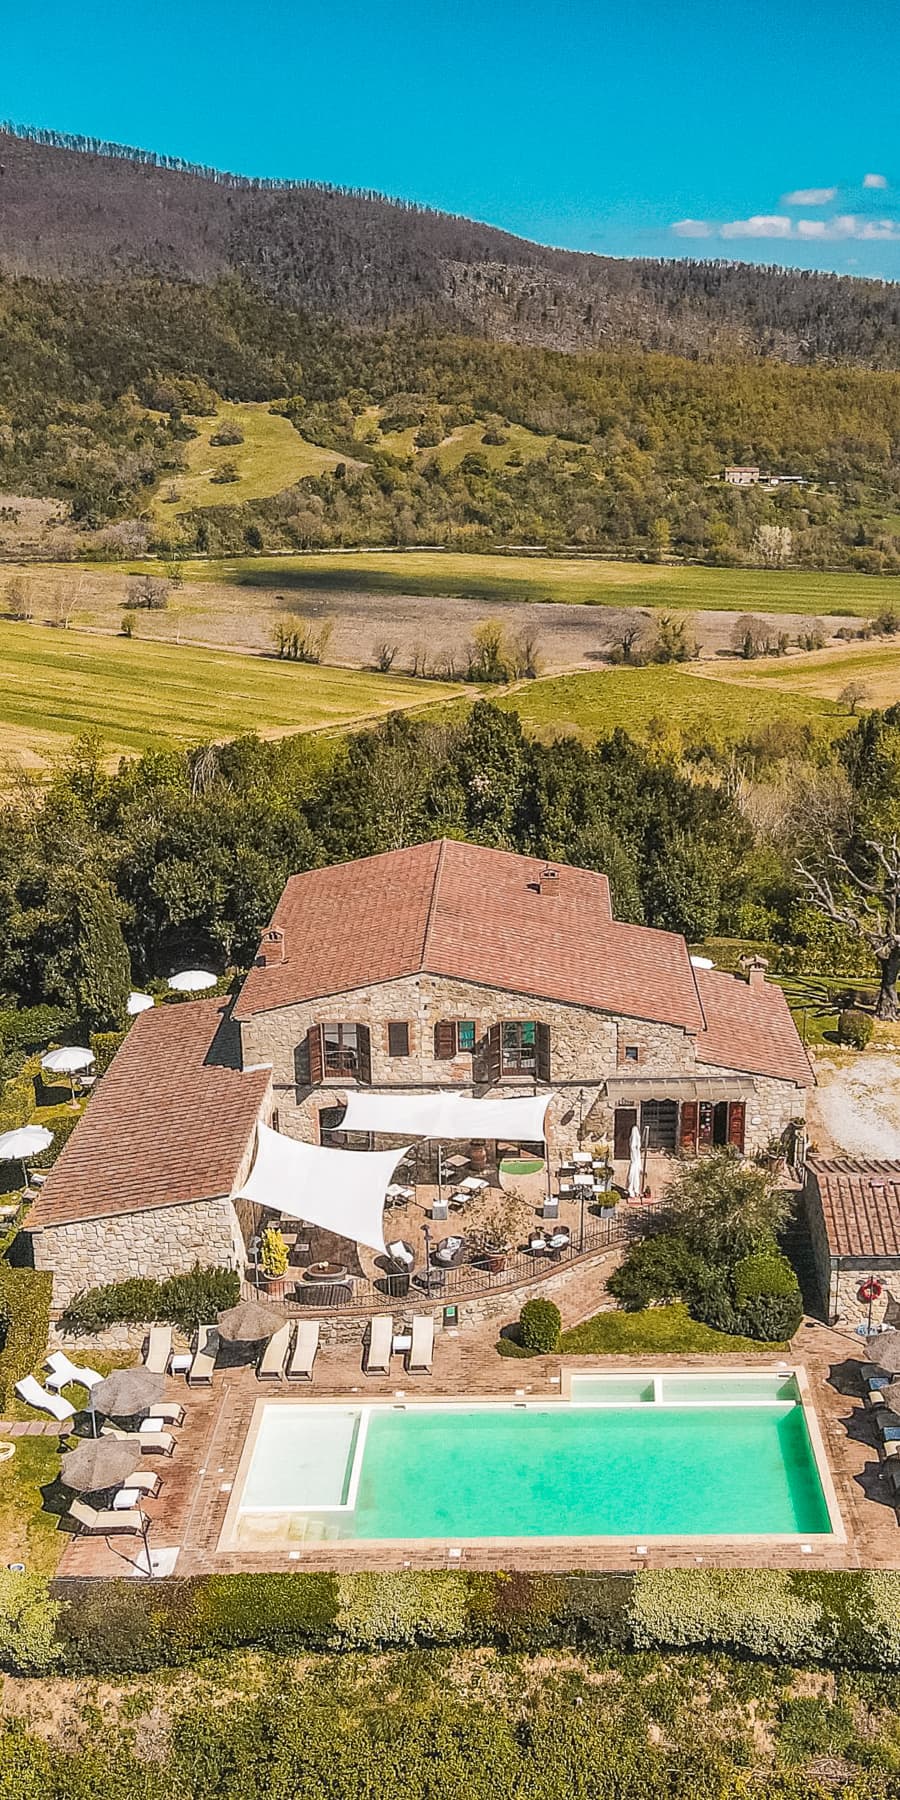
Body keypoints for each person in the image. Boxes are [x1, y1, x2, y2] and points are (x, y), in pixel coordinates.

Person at [627, 1123, 643, 1200]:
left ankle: (636, 1190)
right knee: (632, 1176)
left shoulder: (637, 1146)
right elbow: (633, 1147)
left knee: (636, 1178)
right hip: (634, 1162)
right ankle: (631, 1191)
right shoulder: (633, 1146)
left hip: (636, 1161)